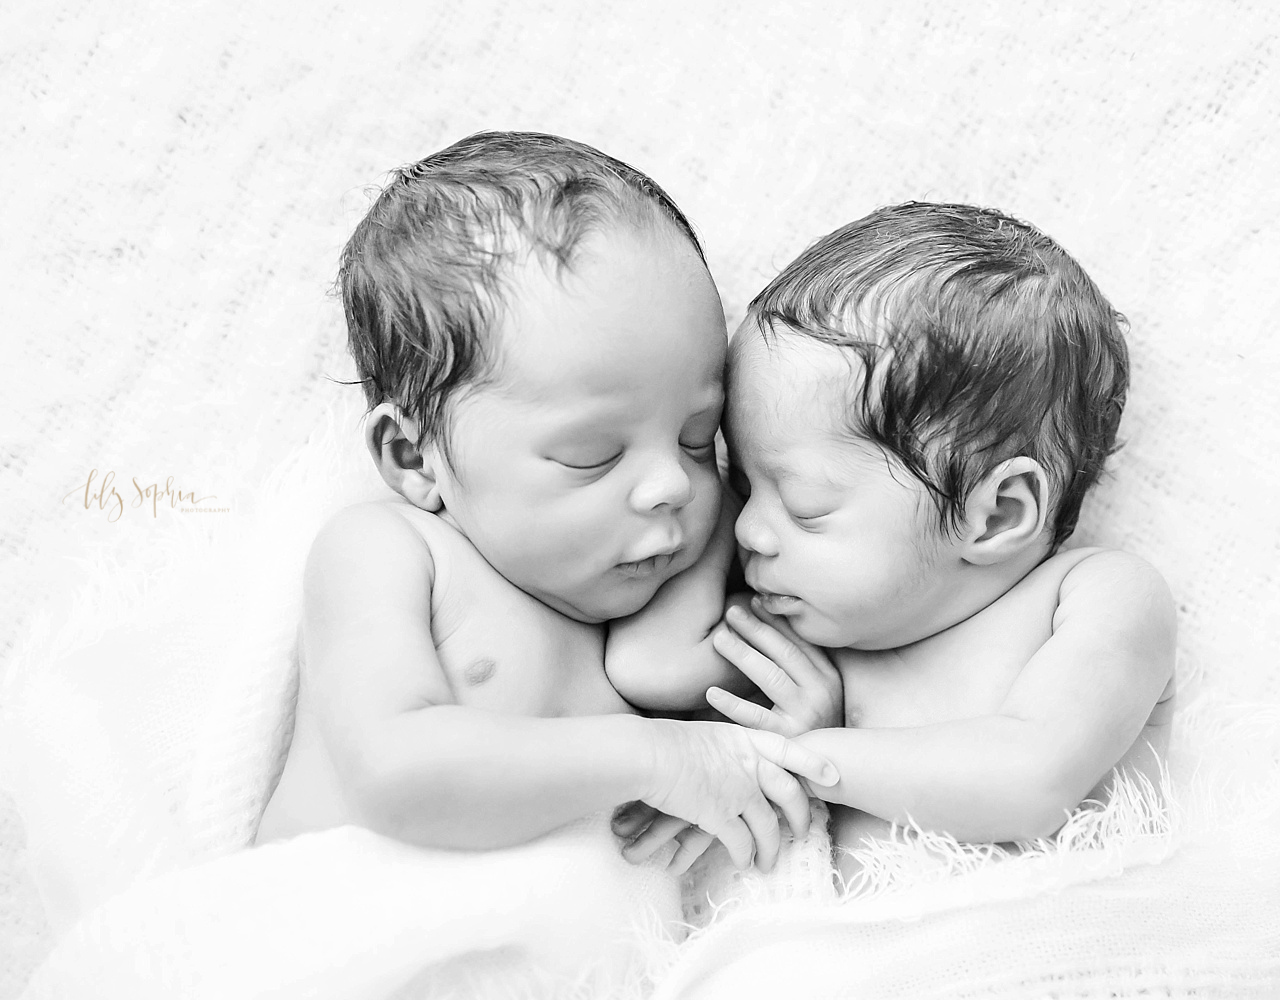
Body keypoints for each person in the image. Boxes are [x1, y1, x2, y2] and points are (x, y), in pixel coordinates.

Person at [255, 131, 837, 877]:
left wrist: (801, 738)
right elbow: (395, 773)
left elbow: (746, 771)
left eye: (696, 435)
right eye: (592, 454)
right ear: (413, 457)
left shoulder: (684, 575)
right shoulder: (388, 553)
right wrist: (656, 755)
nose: (673, 483)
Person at [618, 202, 1176, 883]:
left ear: (998, 513)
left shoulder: (1097, 597)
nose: (750, 530)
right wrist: (705, 485)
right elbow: (648, 668)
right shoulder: (821, 642)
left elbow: (1032, 782)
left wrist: (811, 757)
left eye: (804, 504)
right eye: (744, 481)